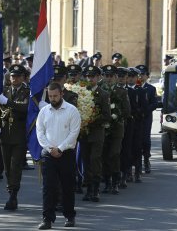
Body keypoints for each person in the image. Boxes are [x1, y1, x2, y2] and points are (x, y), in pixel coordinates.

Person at [36, 82, 81, 230]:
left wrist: (60, 149)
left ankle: (69, 216)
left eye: (55, 96)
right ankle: (47, 219)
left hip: (66, 154)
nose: (53, 99)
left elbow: (74, 134)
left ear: (62, 94)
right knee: (48, 187)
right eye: (50, 96)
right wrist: (50, 148)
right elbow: (40, 132)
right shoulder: (44, 111)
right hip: (48, 154)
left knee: (67, 186)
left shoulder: (72, 110)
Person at [0, 64, 30, 210]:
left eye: (16, 76)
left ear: (22, 77)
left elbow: (25, 108)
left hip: (19, 135)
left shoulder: (26, 92)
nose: (14, 78)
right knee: (7, 168)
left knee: (15, 166)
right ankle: (11, 191)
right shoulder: (4, 90)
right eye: (12, 76)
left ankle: (13, 195)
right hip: (5, 134)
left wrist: (7, 102)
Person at [80, 65, 111, 202]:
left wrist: (91, 119)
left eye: (93, 76)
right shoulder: (81, 92)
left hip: (97, 132)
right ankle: (88, 189)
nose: (90, 79)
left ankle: (96, 188)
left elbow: (107, 115)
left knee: (95, 159)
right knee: (86, 160)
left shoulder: (103, 94)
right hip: (84, 133)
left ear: (98, 78)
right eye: (88, 76)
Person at [100, 65, 131, 194]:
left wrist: (116, 117)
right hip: (103, 128)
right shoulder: (99, 91)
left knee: (114, 154)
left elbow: (127, 111)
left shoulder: (121, 92)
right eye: (106, 75)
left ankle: (115, 181)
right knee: (104, 155)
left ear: (115, 77)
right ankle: (107, 182)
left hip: (117, 128)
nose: (108, 78)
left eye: (111, 76)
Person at [136, 65, 158, 174]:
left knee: (145, 140)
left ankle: (146, 160)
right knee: (136, 140)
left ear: (147, 76)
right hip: (136, 118)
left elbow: (154, 103)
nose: (140, 76)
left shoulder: (151, 89)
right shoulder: (134, 87)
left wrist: (145, 111)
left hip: (146, 118)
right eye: (139, 74)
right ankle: (137, 163)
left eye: (143, 74)